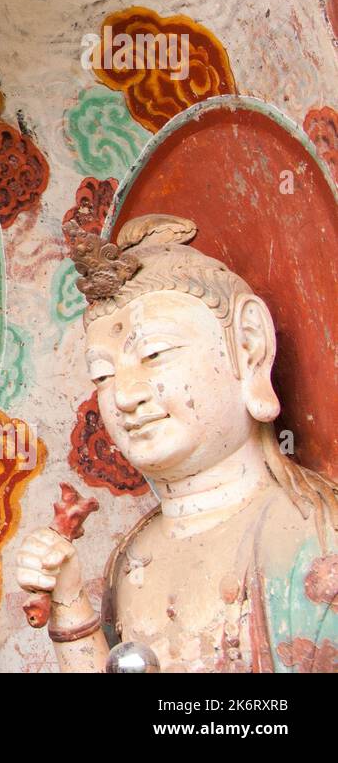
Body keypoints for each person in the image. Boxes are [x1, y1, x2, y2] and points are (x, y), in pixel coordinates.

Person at [17, 214, 338, 672]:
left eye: (153, 354)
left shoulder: (314, 536)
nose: (125, 395)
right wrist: (69, 600)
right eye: (103, 375)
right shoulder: (131, 558)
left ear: (247, 346)